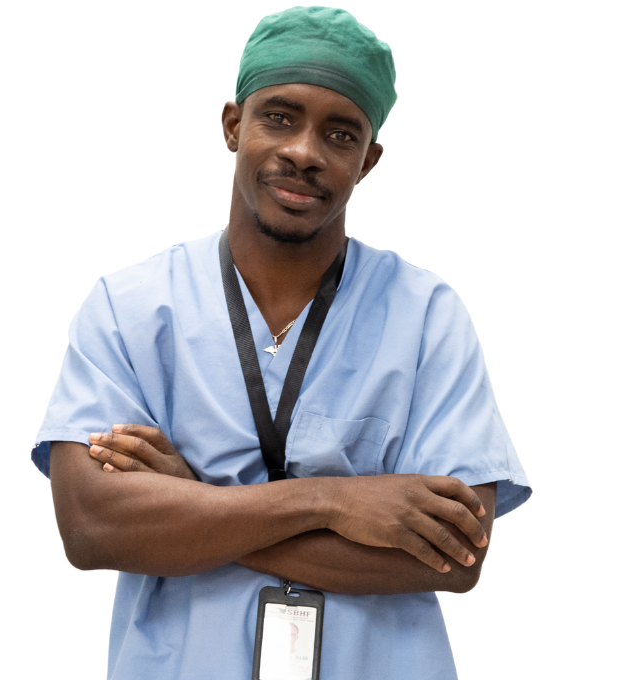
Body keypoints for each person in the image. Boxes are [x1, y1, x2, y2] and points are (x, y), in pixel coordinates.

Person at [33, 6, 532, 679]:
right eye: (279, 116)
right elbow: (92, 530)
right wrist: (335, 501)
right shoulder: (129, 307)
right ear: (232, 125)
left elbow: (453, 560)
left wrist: (194, 499)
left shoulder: (426, 315)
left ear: (369, 161)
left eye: (340, 132)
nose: (304, 150)